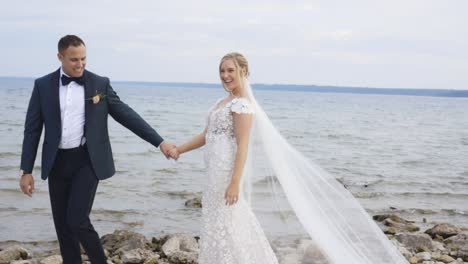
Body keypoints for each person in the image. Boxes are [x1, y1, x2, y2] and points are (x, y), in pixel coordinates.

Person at [168, 52, 409, 264]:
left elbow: (243, 147)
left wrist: (234, 183)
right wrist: (179, 149)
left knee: (231, 224)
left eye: (230, 70)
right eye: (222, 70)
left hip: (226, 175)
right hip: (212, 174)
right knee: (218, 224)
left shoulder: (242, 105)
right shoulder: (222, 102)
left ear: (243, 71)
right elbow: (206, 135)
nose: (225, 75)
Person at [19, 35, 175, 264]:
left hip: (88, 160)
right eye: (74, 59)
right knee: (62, 226)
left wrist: (160, 142)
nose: (80, 64)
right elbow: (32, 129)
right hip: (57, 162)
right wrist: (26, 170)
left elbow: (126, 115)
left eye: (83, 58)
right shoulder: (42, 85)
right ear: (60, 57)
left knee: (77, 219)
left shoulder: (99, 84)